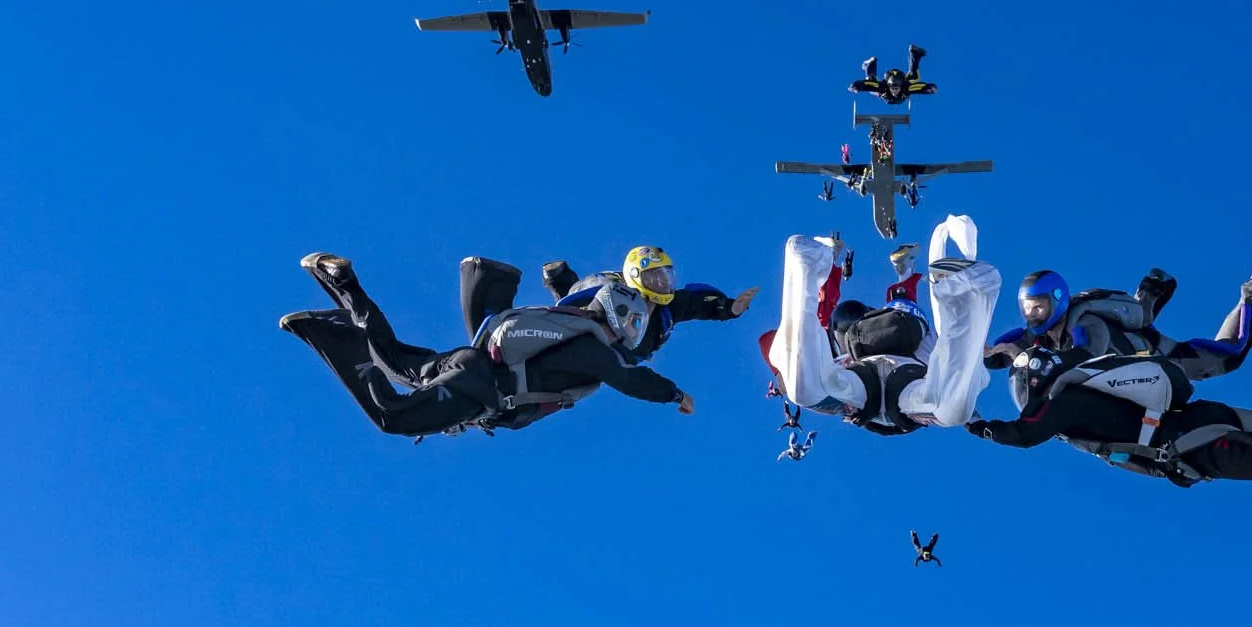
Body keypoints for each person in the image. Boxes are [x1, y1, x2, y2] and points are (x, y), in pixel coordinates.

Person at [969, 295, 1252, 488]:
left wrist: (972, 422)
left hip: (1186, 442)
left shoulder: (1061, 402)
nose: (1026, 401)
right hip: (1193, 422)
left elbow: (1025, 433)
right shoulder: (1081, 386)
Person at [281, 252, 695, 438]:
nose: (633, 332)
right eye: (634, 323)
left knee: (392, 360)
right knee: (393, 418)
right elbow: (630, 379)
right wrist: (675, 394)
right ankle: (335, 329)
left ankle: (344, 286)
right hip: (479, 387)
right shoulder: (594, 349)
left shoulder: (572, 325)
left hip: (470, 364)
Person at [765, 218, 1001, 436]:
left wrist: (784, 373)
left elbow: (954, 348)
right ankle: (965, 293)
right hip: (895, 384)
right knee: (951, 406)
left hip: (873, 387)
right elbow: (953, 348)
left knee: (804, 392)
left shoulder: (848, 347)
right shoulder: (876, 337)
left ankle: (806, 266)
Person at [984, 263, 1252, 383]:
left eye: (1039, 307)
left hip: (1160, 355)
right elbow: (1002, 350)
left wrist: (1025, 358)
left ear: (1057, 300)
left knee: (1229, 356)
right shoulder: (1039, 332)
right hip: (1132, 361)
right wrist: (982, 352)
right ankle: (1149, 294)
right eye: (1027, 308)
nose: (1033, 315)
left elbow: (1082, 357)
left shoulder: (1085, 323)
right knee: (1141, 322)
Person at [539, 245, 758, 365]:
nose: (661, 284)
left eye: (665, 277)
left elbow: (698, 302)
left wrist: (730, 308)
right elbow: (579, 295)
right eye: (654, 278)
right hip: (597, 332)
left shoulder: (669, 306)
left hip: (630, 352)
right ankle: (558, 279)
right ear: (636, 277)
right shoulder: (611, 289)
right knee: (580, 299)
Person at [848, 45, 936, 104]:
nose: (894, 91)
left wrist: (929, 88)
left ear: (900, 86)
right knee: (871, 82)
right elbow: (868, 84)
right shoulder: (883, 87)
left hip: (899, 78)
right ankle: (870, 63)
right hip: (887, 82)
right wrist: (856, 86)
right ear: (889, 86)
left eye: (896, 89)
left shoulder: (906, 87)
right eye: (893, 88)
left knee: (914, 78)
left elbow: (918, 87)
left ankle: (915, 54)